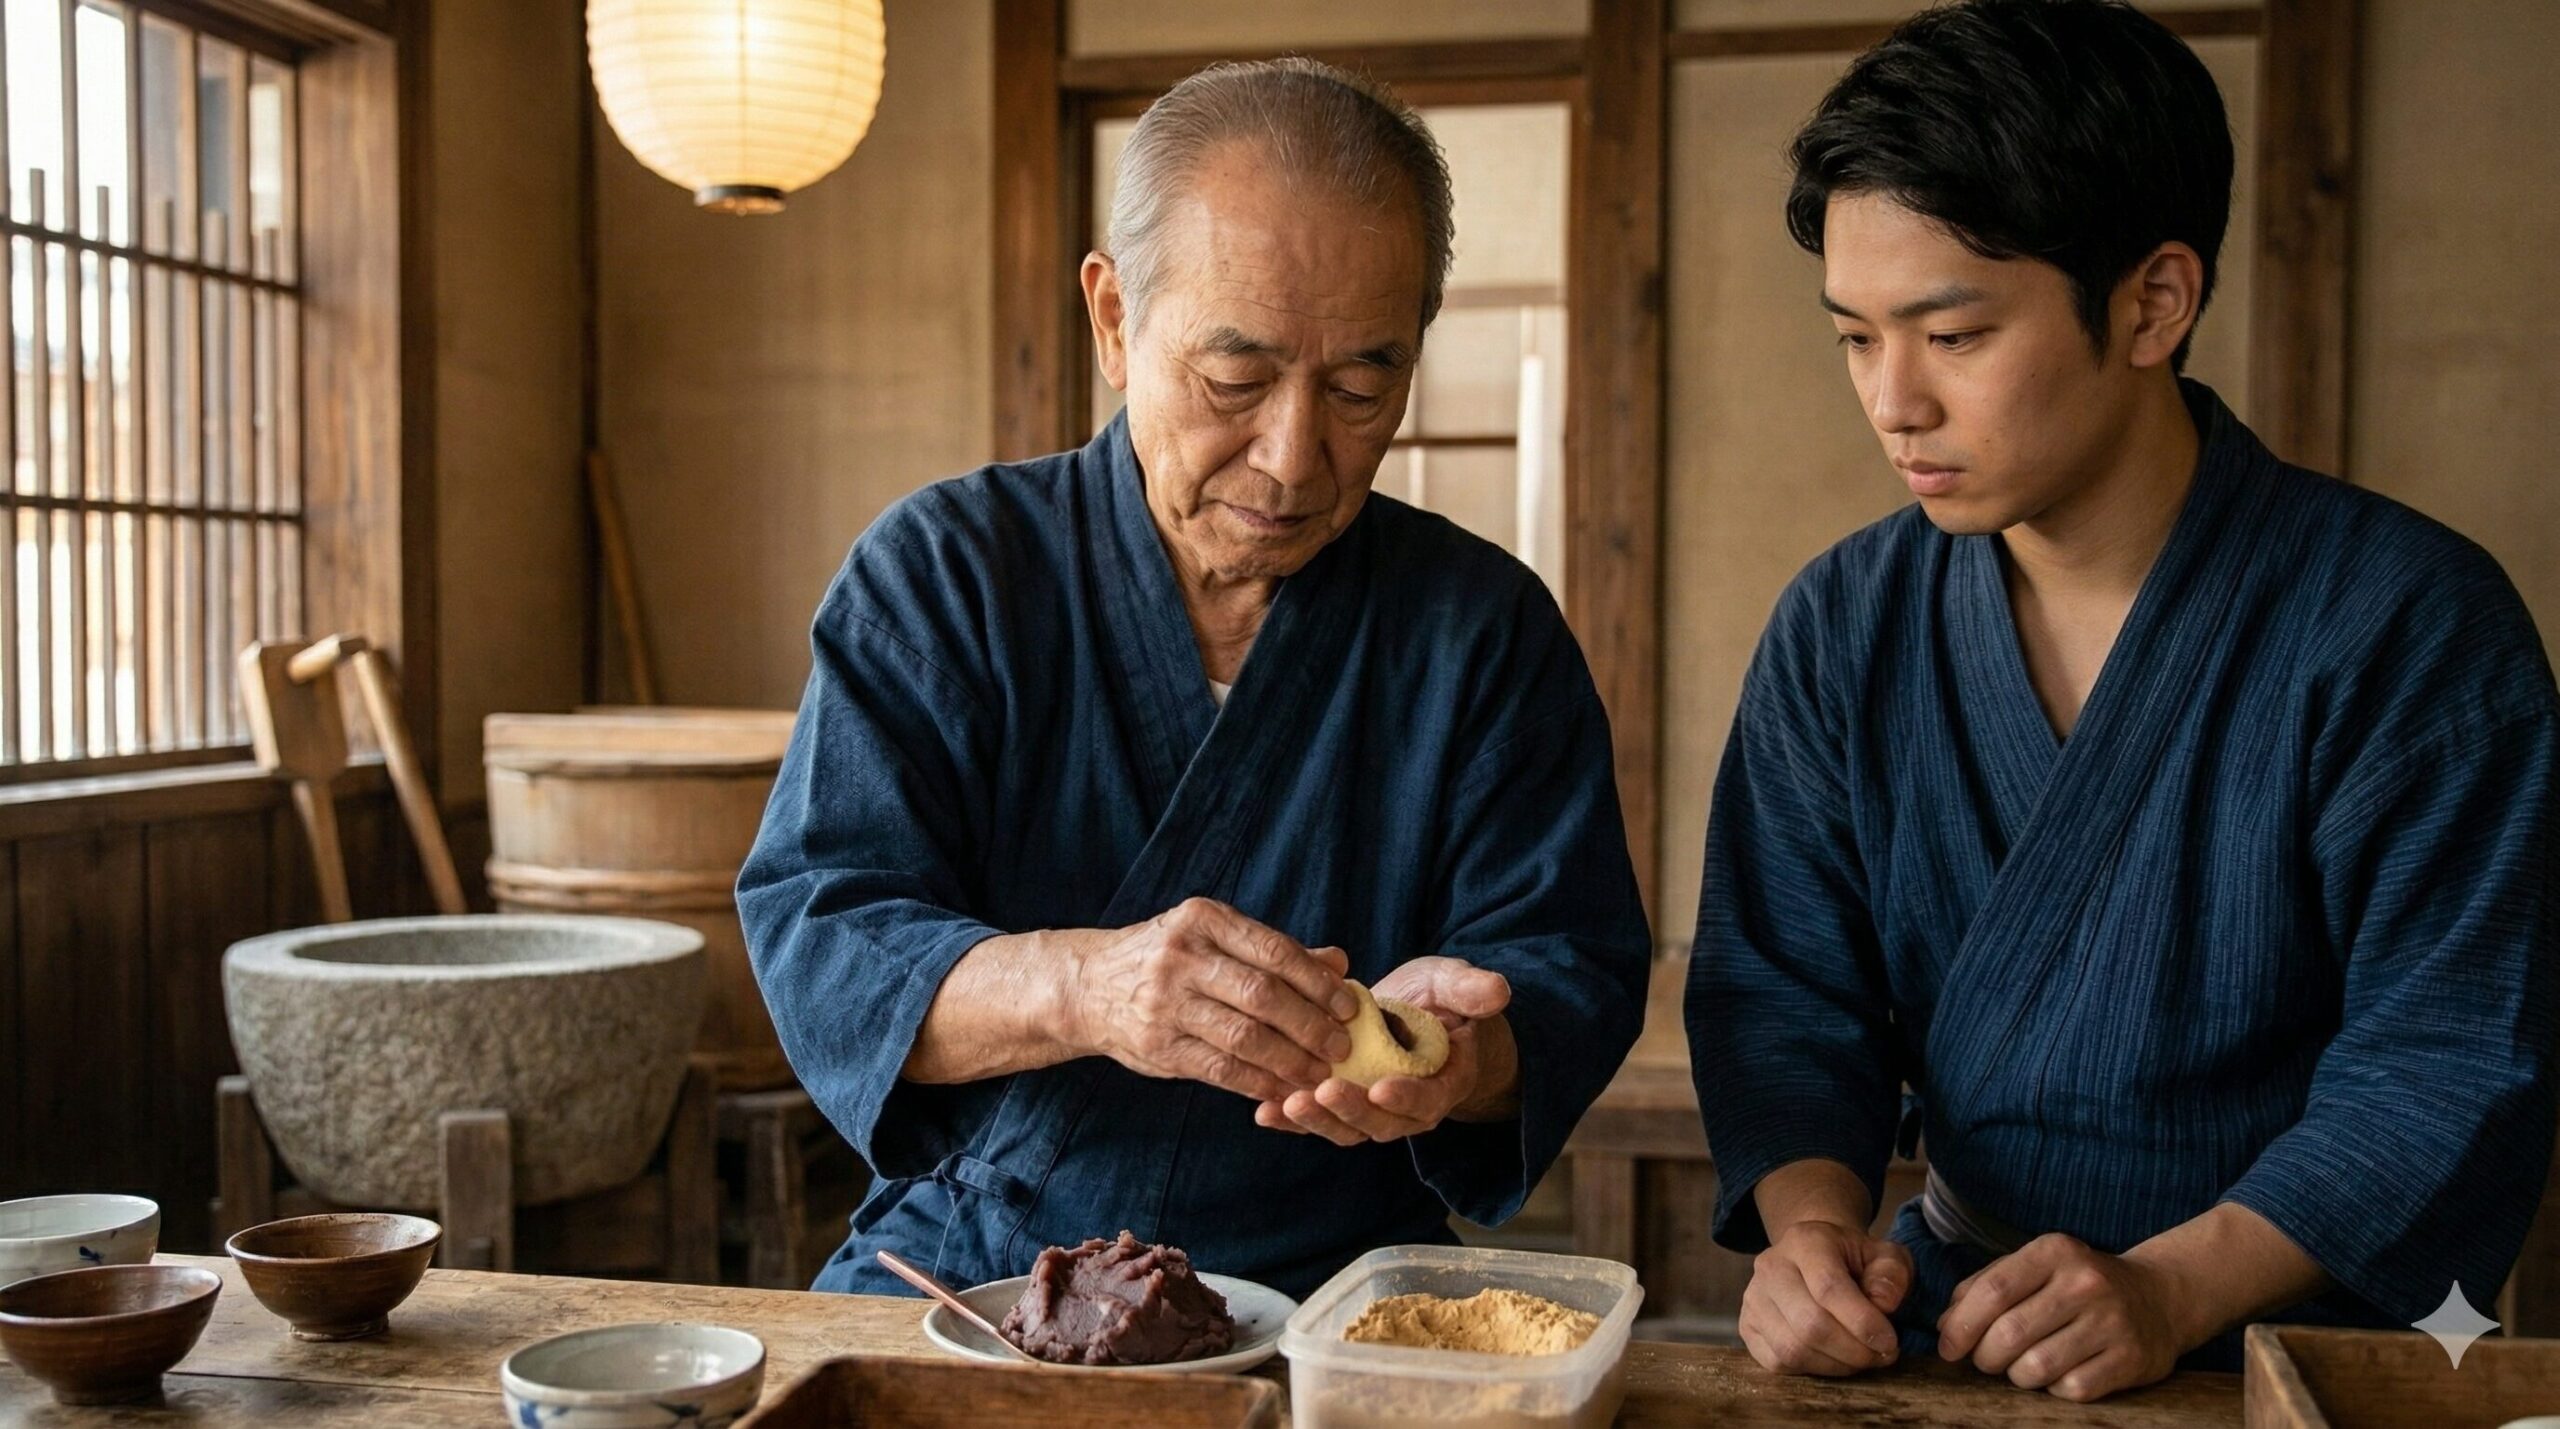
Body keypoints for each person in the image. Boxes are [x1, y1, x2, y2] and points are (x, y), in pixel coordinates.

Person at [1687, 0, 2558, 1402]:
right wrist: (1809, 1236)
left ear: (2154, 302)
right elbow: (1784, 991)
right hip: (1959, 1322)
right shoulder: (1845, 625)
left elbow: (2445, 1055)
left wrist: (2173, 1286)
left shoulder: (2409, 625)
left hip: (2305, 1346)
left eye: (1952, 334)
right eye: (1854, 337)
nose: (1892, 401)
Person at [739, 58, 1649, 1301]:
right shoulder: (945, 574)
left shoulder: (1481, 629)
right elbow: (824, 939)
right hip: (977, 1268)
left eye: (1360, 387)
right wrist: (1085, 987)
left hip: (1335, 1287)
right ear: (1115, 318)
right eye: (1235, 380)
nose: (1292, 455)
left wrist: (1462, 1055)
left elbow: (1567, 966)